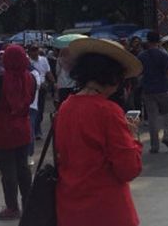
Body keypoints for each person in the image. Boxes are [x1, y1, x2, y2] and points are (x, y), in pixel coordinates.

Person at [55, 38, 143, 226]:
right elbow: (128, 169)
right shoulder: (108, 111)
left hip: (70, 207)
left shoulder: (65, 107)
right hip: (107, 210)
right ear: (112, 76)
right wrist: (132, 136)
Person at [0, 45, 35, 221]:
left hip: (3, 131)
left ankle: (12, 208)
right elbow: (31, 99)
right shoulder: (30, 78)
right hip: (23, 129)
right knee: (24, 169)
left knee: (8, 171)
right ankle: (29, 205)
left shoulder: (1, 81)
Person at [138, 31, 168, 154]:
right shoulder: (163, 54)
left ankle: (154, 145)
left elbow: (138, 71)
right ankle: (167, 135)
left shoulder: (141, 55)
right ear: (159, 41)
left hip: (148, 89)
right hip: (163, 88)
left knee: (152, 118)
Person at [28, 44, 53, 140]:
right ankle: (34, 131)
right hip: (32, 88)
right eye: (32, 50)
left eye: (36, 50)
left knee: (40, 110)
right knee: (33, 110)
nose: (35, 52)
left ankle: (37, 129)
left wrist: (53, 83)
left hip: (42, 87)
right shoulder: (27, 62)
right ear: (29, 52)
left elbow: (48, 72)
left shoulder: (43, 60)